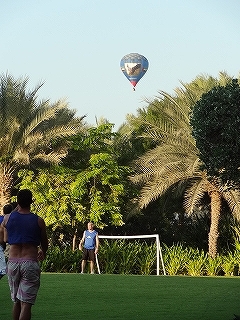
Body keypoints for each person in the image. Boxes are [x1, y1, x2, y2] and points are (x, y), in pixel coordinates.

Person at [2, 189, 48, 320]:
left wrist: (17, 206)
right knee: (26, 304)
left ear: (17, 202)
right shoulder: (38, 221)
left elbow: (10, 218)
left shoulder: (7, 218)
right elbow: (45, 242)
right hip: (29, 262)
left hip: (12, 263)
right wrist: (43, 252)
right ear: (32, 201)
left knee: (16, 300)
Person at [0, 204, 13, 279]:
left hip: (2, 246)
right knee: (2, 270)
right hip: (2, 246)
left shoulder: (2, 218)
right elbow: (6, 239)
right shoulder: (7, 220)